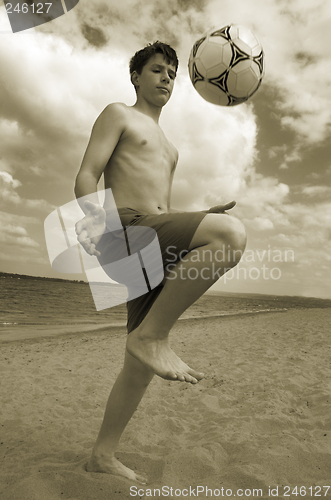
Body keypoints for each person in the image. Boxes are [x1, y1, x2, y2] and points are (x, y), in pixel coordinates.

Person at [74, 41, 246, 483]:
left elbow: (161, 206)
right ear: (136, 77)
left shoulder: (170, 148)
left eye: (172, 72)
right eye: (156, 69)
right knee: (232, 235)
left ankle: (102, 455)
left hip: (152, 238)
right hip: (125, 231)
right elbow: (87, 174)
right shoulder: (119, 114)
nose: (167, 77)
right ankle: (154, 336)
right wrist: (94, 221)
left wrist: (198, 218)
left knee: (138, 367)